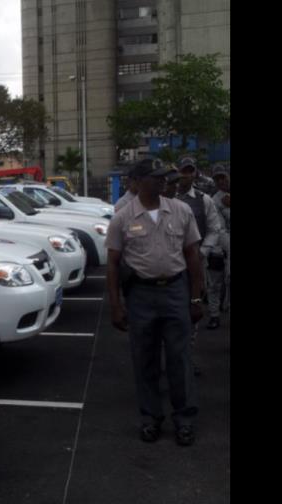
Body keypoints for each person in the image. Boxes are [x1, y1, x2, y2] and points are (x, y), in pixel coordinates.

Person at [106, 158, 204, 447]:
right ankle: (151, 418)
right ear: (136, 182)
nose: (163, 181)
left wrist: (195, 297)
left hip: (175, 291)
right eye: (156, 176)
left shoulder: (181, 210)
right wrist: (116, 305)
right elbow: (112, 264)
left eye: (164, 176)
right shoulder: (122, 217)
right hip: (141, 295)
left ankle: (184, 420)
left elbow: (193, 256)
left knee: (179, 359)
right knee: (145, 359)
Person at [177, 157, 224, 343]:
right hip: (172, 259)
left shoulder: (204, 199)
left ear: (195, 173)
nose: (187, 175)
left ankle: (189, 344)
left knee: (194, 299)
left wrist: (203, 252)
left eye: (190, 171)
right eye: (184, 171)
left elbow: (214, 229)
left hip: (196, 259)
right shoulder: (168, 197)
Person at [211, 165, 231, 313]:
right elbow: (220, 229)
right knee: (220, 281)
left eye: (223, 177)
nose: (220, 181)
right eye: (217, 179)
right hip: (224, 245)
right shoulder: (215, 200)